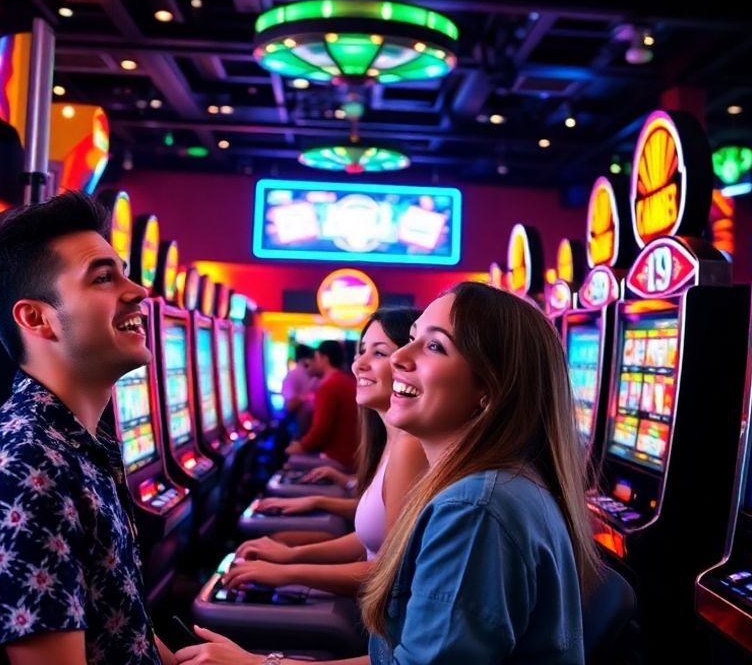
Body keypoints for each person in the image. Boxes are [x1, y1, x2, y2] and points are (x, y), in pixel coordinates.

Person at [175, 282, 600, 664]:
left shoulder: (475, 508)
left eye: (434, 347)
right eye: (411, 340)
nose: (398, 357)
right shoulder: (486, 486)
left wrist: (260, 664)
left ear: (488, 392)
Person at [0, 192, 177, 665]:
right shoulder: (26, 458)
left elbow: (122, 622)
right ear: (36, 318)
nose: (139, 291)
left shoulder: (77, 438)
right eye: (104, 277)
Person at [224, 309, 429, 597]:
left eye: (379, 353)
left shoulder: (410, 447)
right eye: (360, 352)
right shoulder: (392, 441)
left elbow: (392, 573)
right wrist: (290, 556)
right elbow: (370, 540)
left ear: (408, 363)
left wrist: (287, 571)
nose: (359, 365)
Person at [285, 340, 359, 469]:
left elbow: (320, 430)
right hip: (353, 456)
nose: (313, 362)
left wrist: (301, 446)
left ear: (324, 358)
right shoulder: (346, 380)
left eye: (316, 357)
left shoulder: (329, 386)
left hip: (339, 458)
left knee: (289, 459)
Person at [279, 343, 319, 432]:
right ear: (305, 360)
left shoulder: (314, 375)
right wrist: (305, 397)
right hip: (297, 428)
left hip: (309, 428)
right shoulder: (293, 376)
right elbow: (289, 406)